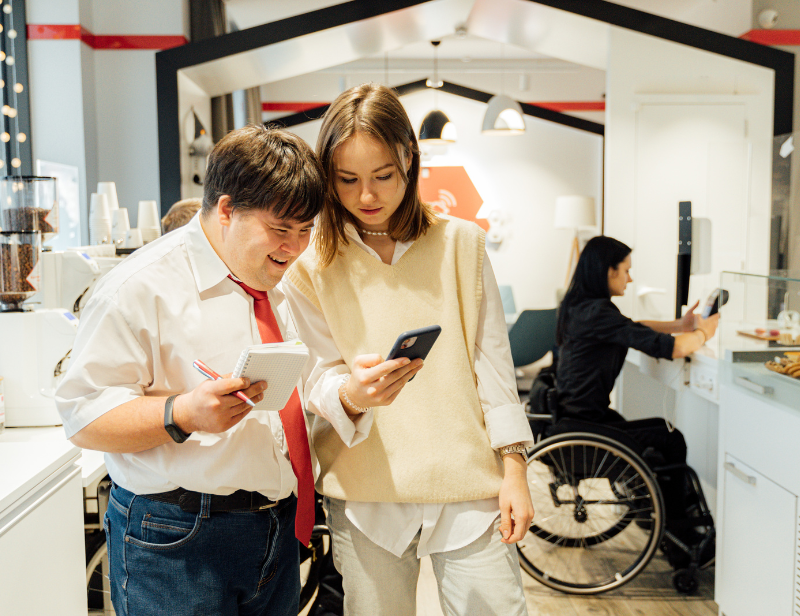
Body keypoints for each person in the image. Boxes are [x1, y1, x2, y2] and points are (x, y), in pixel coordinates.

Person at [284, 82, 534, 616]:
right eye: (347, 180)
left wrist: (515, 469)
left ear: (409, 160)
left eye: (383, 176)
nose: (366, 196)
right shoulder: (310, 265)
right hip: (365, 487)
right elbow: (315, 376)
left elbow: (493, 367)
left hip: (469, 482)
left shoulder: (463, 245)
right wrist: (351, 393)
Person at [55, 124, 325, 616]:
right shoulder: (138, 288)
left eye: (306, 230)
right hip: (176, 539)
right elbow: (83, 417)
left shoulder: (277, 278)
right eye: (281, 229)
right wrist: (181, 414)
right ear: (226, 210)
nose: (294, 247)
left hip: (275, 530)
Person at [554, 234, 719, 518]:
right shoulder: (599, 312)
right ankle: (676, 526)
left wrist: (679, 324)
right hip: (586, 422)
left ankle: (656, 514)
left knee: (660, 431)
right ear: (609, 271)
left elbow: (631, 327)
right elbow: (677, 349)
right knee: (670, 439)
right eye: (626, 270)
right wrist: (704, 332)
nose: (629, 279)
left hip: (573, 416)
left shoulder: (578, 306)